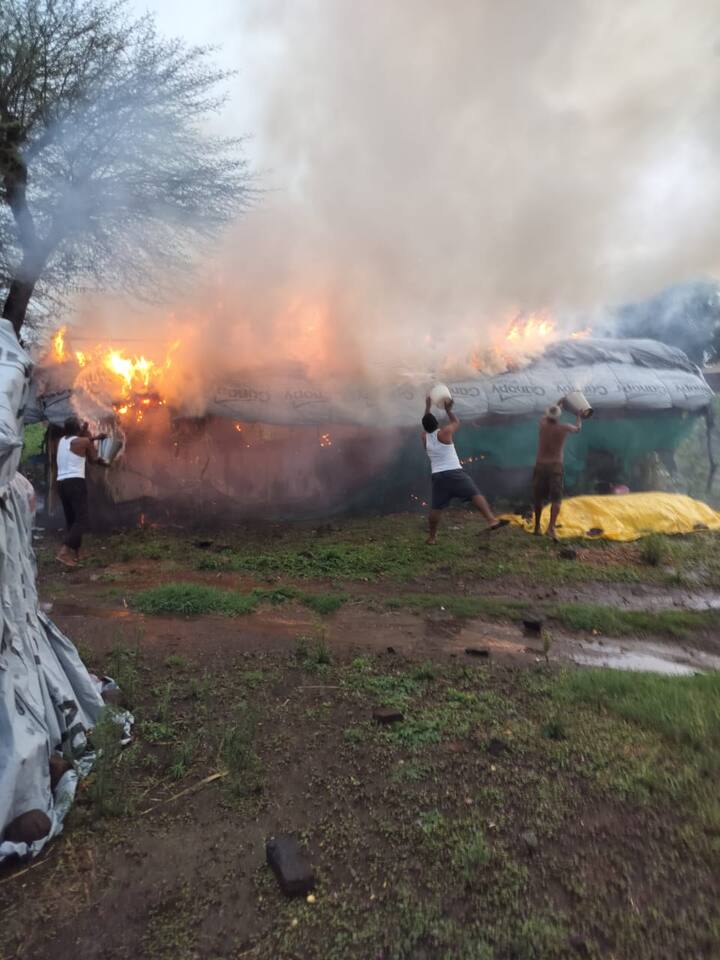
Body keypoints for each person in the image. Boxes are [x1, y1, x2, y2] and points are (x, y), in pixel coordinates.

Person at [422, 395, 508, 545]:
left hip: (438, 476)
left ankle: (432, 537)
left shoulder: (424, 437)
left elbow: (426, 422)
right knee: (475, 494)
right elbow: (456, 422)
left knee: (436, 507)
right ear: (436, 423)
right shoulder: (445, 432)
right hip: (454, 472)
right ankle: (491, 520)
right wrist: (448, 410)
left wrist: (428, 407)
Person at [55, 417, 104, 567]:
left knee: (72, 520)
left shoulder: (62, 441)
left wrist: (84, 433)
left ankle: (76, 553)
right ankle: (63, 552)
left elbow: (91, 459)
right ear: (78, 429)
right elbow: (85, 444)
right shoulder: (81, 442)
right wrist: (97, 437)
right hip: (75, 483)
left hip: (61, 484)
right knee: (82, 519)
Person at [533, 401, 583, 540]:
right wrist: (579, 416)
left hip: (540, 465)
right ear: (558, 417)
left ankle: (537, 527)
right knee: (556, 498)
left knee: (538, 497)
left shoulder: (542, 425)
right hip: (555, 466)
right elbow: (578, 428)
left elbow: (544, 417)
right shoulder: (564, 428)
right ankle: (550, 528)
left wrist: (556, 407)